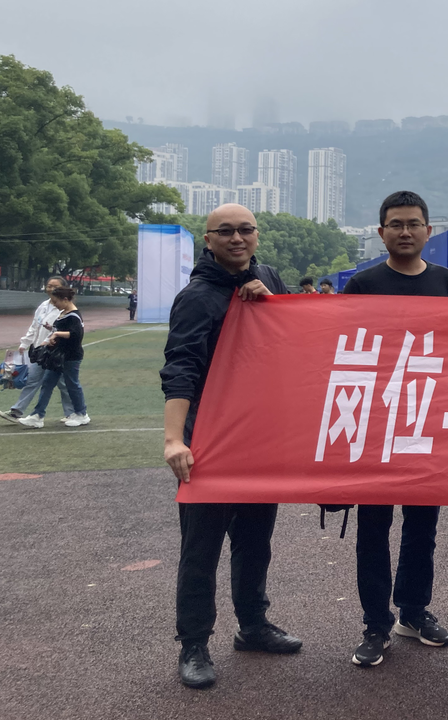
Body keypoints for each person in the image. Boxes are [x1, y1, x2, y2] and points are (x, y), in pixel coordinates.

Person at [160, 203, 302, 689]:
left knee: (255, 540)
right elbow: (180, 368)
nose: (237, 238)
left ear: (257, 235)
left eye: (245, 230)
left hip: (260, 437)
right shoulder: (196, 297)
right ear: (208, 239)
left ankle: (253, 625)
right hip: (210, 440)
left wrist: (273, 303)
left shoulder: (269, 276)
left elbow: (294, 340)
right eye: (225, 231)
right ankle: (194, 643)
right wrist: (174, 439)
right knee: (201, 548)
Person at [341, 191, 448, 668]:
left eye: (413, 224)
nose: (405, 231)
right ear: (381, 232)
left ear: (428, 231)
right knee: (373, 528)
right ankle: (376, 623)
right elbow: (344, 350)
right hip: (376, 422)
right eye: (396, 224)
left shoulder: (446, 281)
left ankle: (413, 610)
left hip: (427, 419)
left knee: (422, 526)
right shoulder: (363, 284)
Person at [14, 284, 90, 428]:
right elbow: (61, 329)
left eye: (56, 301)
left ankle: (82, 414)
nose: (54, 305)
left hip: (71, 356)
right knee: (47, 383)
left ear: (65, 299)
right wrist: (51, 332)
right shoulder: (64, 313)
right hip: (57, 356)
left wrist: (56, 334)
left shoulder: (74, 315)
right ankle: (38, 415)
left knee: (72, 385)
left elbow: (76, 334)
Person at [3, 277, 74, 424]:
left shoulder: (64, 309)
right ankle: (16, 411)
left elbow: (61, 330)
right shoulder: (43, 306)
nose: (50, 289)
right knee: (33, 380)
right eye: (48, 285)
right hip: (40, 352)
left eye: (55, 286)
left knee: (63, 384)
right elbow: (35, 326)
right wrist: (25, 343)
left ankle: (74, 412)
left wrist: (48, 342)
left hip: (55, 352)